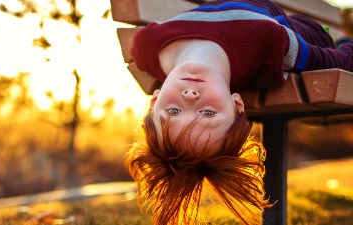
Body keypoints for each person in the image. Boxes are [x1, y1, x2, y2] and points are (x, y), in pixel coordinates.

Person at [124, 0, 353, 224]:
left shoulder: (145, 45)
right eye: (207, 113)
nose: (190, 97)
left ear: (154, 103)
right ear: (237, 106)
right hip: (309, 28)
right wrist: (343, 41)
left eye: (173, 111)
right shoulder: (268, 43)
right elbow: (340, 60)